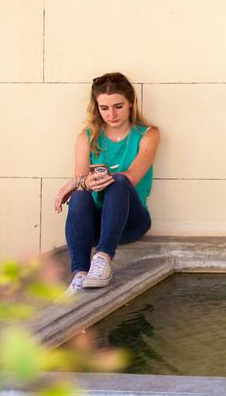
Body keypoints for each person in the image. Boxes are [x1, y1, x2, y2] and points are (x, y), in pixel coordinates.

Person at [54, 72, 160, 294]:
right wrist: (78, 185)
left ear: (131, 103)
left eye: (118, 106)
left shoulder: (148, 135)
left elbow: (132, 177)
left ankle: (102, 259)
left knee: (120, 180)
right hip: (94, 225)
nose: (111, 114)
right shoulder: (87, 137)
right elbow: (81, 181)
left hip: (130, 222)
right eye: (104, 108)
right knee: (80, 196)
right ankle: (80, 274)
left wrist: (75, 183)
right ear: (97, 108)